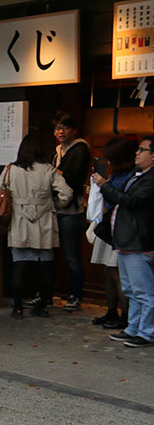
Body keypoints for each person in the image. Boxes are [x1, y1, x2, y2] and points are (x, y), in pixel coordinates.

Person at [0, 133, 73, 319]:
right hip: (44, 222)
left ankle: (17, 308)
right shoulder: (48, 169)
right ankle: (42, 306)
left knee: (19, 265)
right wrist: (55, 205)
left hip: (20, 221)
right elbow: (66, 193)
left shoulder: (11, 169)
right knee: (46, 267)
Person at [93, 134, 154, 347]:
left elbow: (132, 201)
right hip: (126, 239)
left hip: (138, 241)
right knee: (131, 289)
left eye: (142, 150)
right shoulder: (138, 175)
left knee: (144, 291)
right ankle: (133, 328)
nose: (137, 153)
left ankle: (147, 332)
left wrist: (104, 185)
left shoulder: (150, 179)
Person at [89, 137, 136, 331]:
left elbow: (119, 199)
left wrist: (103, 186)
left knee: (117, 273)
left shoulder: (132, 177)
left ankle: (125, 316)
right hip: (108, 227)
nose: (108, 162)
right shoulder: (116, 174)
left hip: (121, 228)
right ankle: (111, 310)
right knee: (107, 271)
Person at [52, 113, 90, 311]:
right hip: (56, 208)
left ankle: (75, 295)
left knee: (72, 254)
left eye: (64, 128)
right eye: (57, 128)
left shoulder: (80, 148)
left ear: (74, 130)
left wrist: (54, 172)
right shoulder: (58, 150)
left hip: (72, 210)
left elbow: (74, 177)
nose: (60, 132)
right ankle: (53, 292)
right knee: (53, 253)